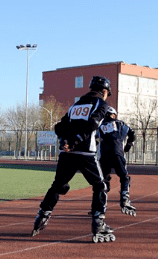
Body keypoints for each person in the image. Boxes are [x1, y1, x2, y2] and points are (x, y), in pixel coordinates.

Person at [31, 76, 115, 244]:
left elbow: (59, 127)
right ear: (104, 91)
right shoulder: (101, 104)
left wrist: (65, 142)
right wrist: (76, 141)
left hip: (67, 153)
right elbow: (93, 124)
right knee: (100, 186)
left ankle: (41, 216)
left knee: (57, 185)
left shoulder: (76, 105)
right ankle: (98, 223)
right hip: (86, 154)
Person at [98, 106, 136, 216]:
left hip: (104, 154)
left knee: (102, 180)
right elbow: (132, 134)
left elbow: (93, 136)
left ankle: (99, 205)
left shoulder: (100, 125)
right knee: (124, 176)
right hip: (117, 153)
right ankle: (124, 198)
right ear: (114, 115)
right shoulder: (121, 124)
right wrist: (129, 144)